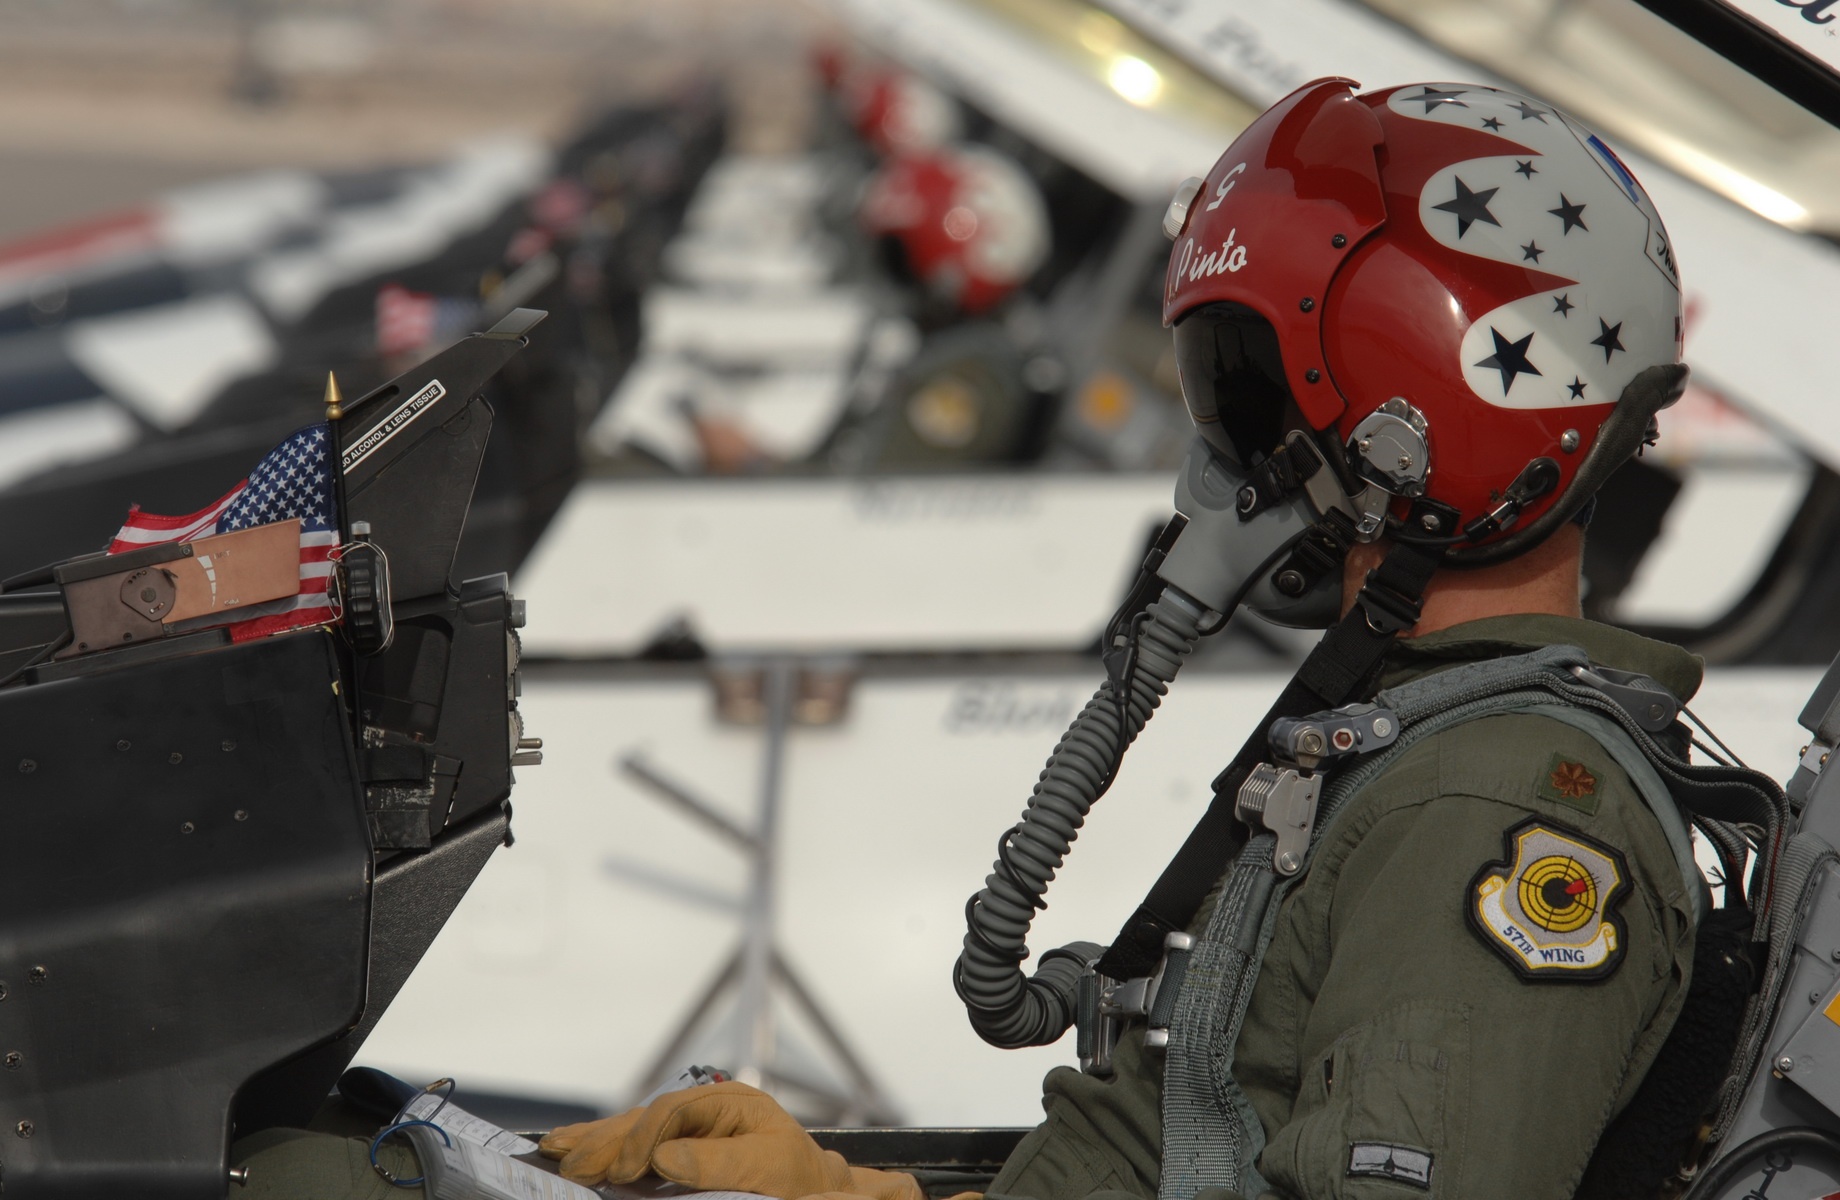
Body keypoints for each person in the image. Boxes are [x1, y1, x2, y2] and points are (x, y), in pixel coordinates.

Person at [535, 77, 1732, 1200]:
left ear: (1410, 432)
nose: (1227, 457)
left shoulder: (1489, 805)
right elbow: (1180, 1136)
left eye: (1254, 394)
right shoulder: (1396, 753)